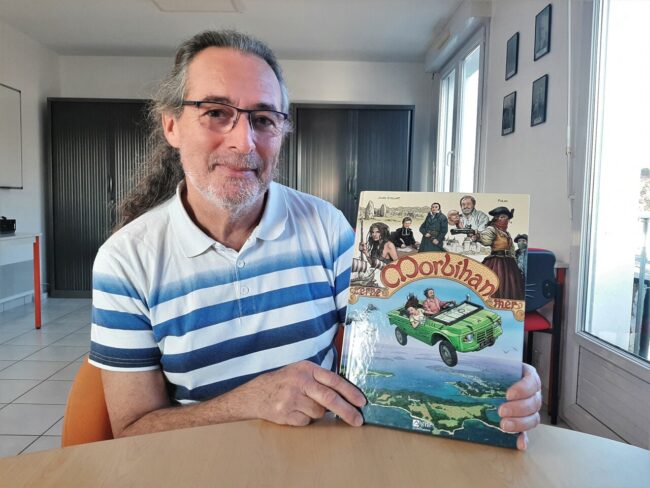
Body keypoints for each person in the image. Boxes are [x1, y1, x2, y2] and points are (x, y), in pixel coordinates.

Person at [89, 30, 540, 449]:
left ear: (282, 132)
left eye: (263, 119)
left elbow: (390, 347)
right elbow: (132, 429)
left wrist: (500, 381)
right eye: (215, 113)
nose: (244, 142)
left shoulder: (325, 227)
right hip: (199, 463)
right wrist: (251, 401)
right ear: (172, 125)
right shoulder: (126, 261)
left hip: (321, 459)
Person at [477, 208, 525, 300]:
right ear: (496, 218)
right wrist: (478, 236)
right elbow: (486, 241)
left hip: (509, 262)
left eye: (506, 217)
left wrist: (515, 262)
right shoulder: (492, 229)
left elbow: (511, 249)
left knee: (512, 284)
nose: (505, 219)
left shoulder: (507, 233)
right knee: (497, 281)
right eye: (502, 217)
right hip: (496, 262)